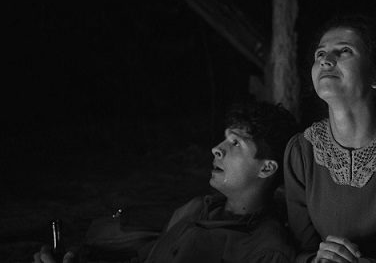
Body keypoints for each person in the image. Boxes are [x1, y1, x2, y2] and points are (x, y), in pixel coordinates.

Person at [34, 101, 299, 263]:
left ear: (266, 169)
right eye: (224, 138)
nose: (216, 149)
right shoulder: (196, 209)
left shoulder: (266, 249)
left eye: (235, 143)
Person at [284, 14, 376, 263]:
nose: (326, 61)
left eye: (344, 51)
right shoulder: (302, 152)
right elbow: (301, 251)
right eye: (320, 54)